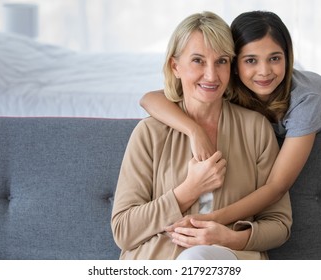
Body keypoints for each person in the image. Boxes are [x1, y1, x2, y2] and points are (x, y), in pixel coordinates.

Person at [139, 10, 321, 238]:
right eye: (251, 60)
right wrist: (194, 131)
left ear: (288, 58)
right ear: (235, 64)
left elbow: (276, 187)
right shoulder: (225, 81)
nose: (264, 71)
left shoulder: (306, 101)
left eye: (275, 58)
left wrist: (212, 220)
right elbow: (149, 98)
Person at [111, 11, 292, 260]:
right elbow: (123, 230)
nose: (211, 75)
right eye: (198, 60)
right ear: (175, 66)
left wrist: (231, 238)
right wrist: (188, 190)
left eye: (221, 62)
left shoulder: (255, 129)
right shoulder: (149, 133)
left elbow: (279, 224)